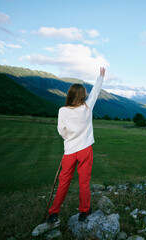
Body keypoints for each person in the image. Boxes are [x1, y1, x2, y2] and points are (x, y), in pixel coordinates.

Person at [47, 67, 106, 224]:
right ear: (82, 96)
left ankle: (53, 213)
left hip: (70, 152)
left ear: (70, 95)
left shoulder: (63, 111)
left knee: (63, 183)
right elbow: (96, 92)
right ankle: (84, 211)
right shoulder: (87, 107)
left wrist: (69, 139)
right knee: (84, 182)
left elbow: (62, 131)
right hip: (85, 150)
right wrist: (100, 76)